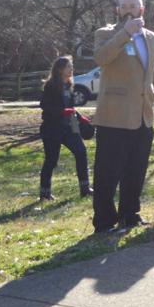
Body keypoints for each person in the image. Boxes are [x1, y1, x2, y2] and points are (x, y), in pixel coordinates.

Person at [91, 0, 154, 233]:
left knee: (136, 170)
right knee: (107, 173)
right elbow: (101, 58)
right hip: (114, 116)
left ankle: (130, 214)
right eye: (124, 6)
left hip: (143, 115)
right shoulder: (106, 33)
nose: (129, 9)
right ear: (118, 10)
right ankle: (103, 221)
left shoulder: (152, 38)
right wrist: (125, 34)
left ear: (142, 10)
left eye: (134, 5)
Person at [37, 55, 91, 201]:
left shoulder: (69, 85)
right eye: (68, 66)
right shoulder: (51, 85)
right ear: (60, 69)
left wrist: (81, 118)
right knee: (51, 160)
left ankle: (85, 189)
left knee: (81, 152)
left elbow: (70, 108)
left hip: (69, 127)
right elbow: (45, 107)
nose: (71, 69)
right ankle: (45, 193)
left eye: (71, 66)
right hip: (52, 129)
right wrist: (61, 112)